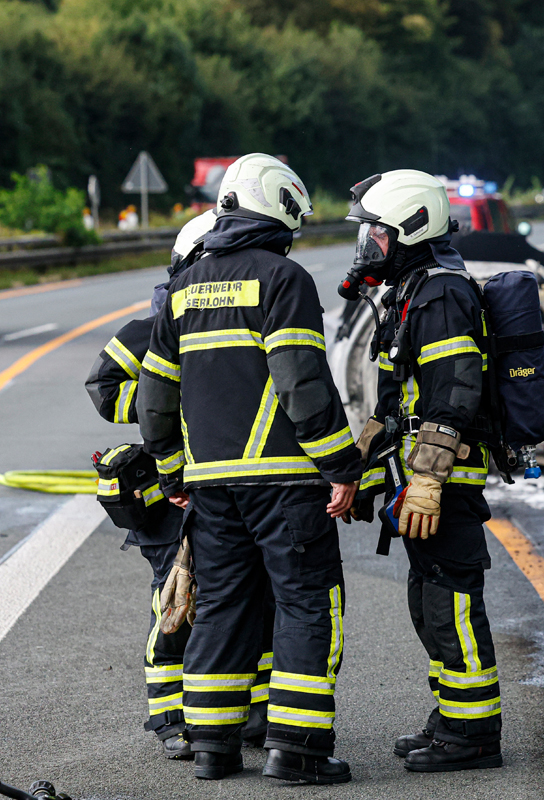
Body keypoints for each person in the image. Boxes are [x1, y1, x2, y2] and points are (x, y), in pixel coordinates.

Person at [137, 154, 361, 784]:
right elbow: (302, 384)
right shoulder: (283, 279)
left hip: (211, 487)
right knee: (302, 604)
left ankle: (211, 746)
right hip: (286, 481)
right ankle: (297, 751)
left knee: (223, 607)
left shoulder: (182, 289)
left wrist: (173, 473)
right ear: (280, 209)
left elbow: (157, 394)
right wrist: (341, 464)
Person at [86, 211, 274, 760]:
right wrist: (162, 418)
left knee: (245, 600)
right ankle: (171, 720)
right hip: (173, 490)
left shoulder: (241, 319)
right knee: (174, 602)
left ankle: (248, 717)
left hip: (224, 482)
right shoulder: (151, 327)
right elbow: (103, 388)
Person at [343, 169, 504, 773]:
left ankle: (474, 735)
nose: (368, 246)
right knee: (427, 599)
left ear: (412, 227)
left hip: (446, 483)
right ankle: (451, 720)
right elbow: (394, 405)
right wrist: (360, 472)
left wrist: (431, 479)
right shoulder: (412, 292)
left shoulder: (439, 296)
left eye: (377, 234)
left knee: (452, 603)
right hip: (417, 480)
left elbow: (454, 394)